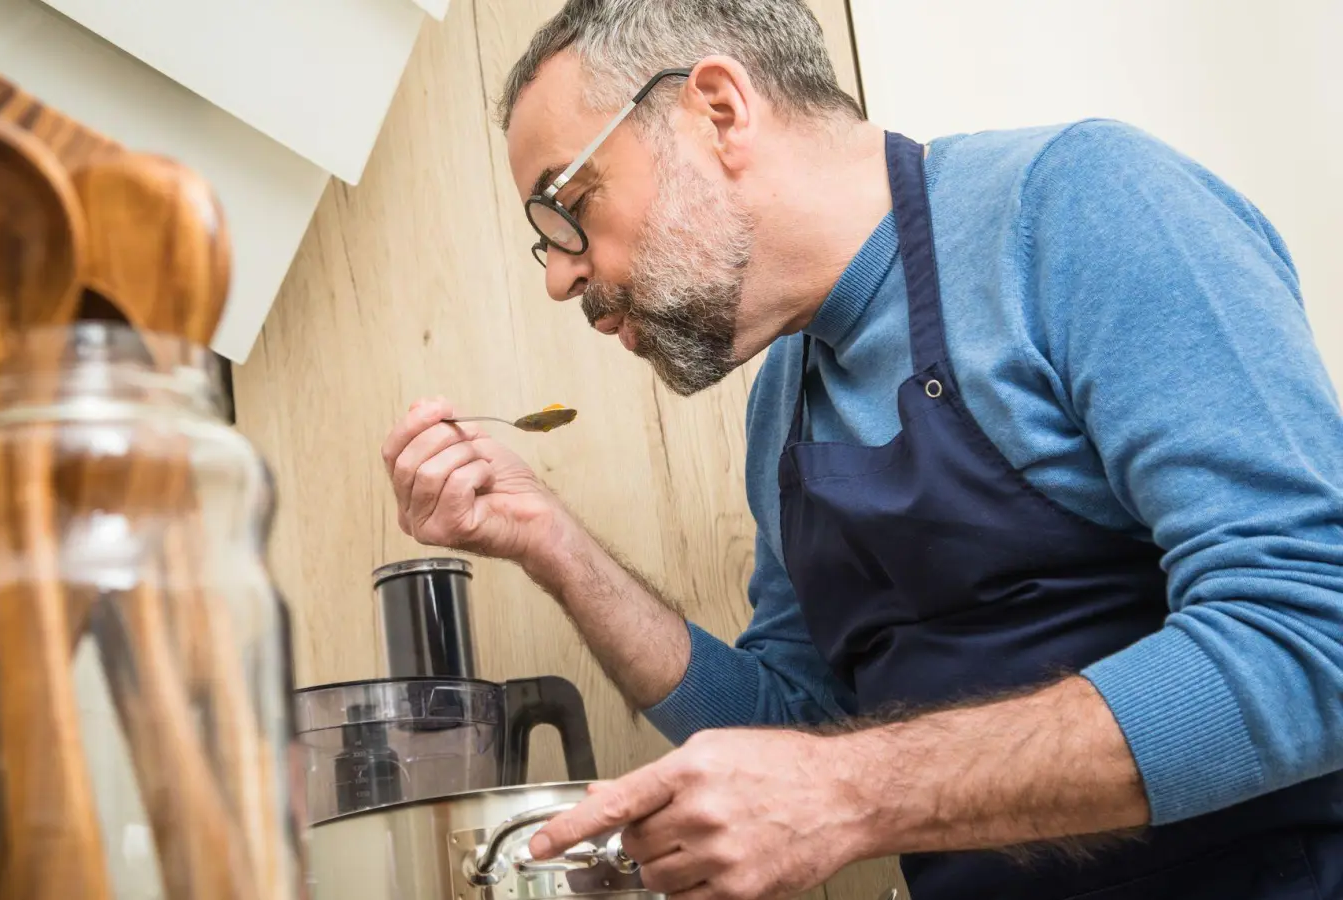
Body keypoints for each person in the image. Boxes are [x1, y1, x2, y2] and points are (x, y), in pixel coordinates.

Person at [380, 2, 1343, 897]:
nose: (560, 276)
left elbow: (1314, 637)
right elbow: (800, 735)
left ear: (717, 110)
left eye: (569, 203)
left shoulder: (1080, 206)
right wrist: (552, 543)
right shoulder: (781, 406)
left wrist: (849, 793)